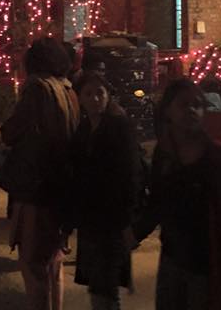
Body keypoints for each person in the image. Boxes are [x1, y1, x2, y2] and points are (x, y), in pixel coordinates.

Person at [133, 78, 221, 310]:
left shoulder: (220, 160)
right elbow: (158, 202)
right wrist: (134, 234)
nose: (192, 110)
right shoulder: (165, 155)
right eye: (184, 104)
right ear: (168, 110)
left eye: (197, 105)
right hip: (173, 259)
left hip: (207, 264)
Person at [0, 37, 80, 310]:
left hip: (37, 186)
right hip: (61, 183)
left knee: (33, 262)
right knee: (53, 261)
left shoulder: (36, 88)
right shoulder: (68, 88)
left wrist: (2, 132)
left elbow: (13, 131)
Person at [69, 71, 140, 310]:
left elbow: (130, 175)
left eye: (99, 93)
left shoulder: (119, 127)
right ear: (80, 98)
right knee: (98, 282)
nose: (94, 98)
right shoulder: (84, 128)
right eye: (88, 93)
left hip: (111, 218)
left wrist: (127, 219)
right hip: (91, 218)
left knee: (105, 283)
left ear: (109, 95)